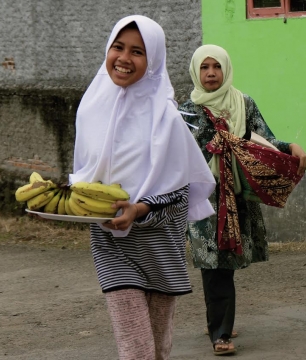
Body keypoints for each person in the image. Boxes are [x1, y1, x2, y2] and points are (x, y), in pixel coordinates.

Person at [69, 16, 216, 360]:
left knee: (158, 350)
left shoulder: (167, 121)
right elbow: (85, 175)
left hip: (161, 249)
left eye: (138, 51)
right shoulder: (91, 109)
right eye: (118, 47)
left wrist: (139, 209)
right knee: (136, 350)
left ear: (154, 62)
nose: (124, 58)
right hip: (112, 246)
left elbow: (181, 193)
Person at [178, 44, 306, 356]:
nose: (211, 73)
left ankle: (218, 318)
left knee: (224, 262)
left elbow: (262, 139)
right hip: (205, 198)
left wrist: (291, 146)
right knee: (215, 262)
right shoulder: (185, 111)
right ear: (196, 72)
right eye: (204, 67)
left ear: (226, 69)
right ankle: (220, 333)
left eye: (217, 66)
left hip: (236, 195)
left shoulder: (243, 103)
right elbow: (181, 155)